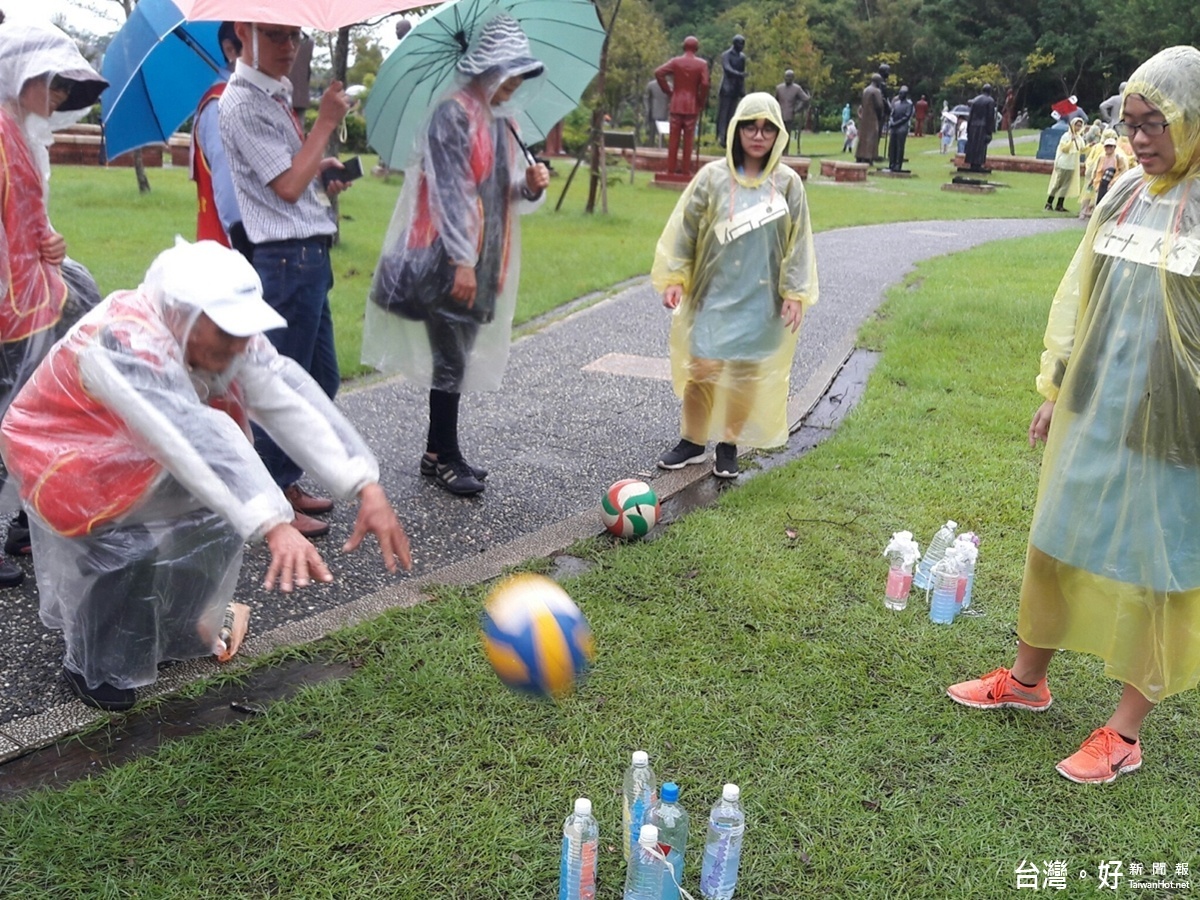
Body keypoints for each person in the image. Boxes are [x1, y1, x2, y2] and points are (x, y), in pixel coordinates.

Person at [0, 239, 413, 712]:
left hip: (133, 449)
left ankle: (173, 629)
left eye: (243, 331)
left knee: (213, 518)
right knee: (126, 545)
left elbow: (284, 396)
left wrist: (364, 484)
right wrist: (275, 525)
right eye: (226, 332)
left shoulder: (221, 338)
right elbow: (187, 435)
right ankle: (93, 664)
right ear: (182, 315)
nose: (239, 345)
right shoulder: (125, 342)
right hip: (64, 457)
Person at [948, 45, 1200, 784]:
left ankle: (1126, 731)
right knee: (1055, 538)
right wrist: (1057, 386)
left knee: (1161, 569)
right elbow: (1078, 292)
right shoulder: (1123, 193)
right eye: (1133, 123)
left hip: (1176, 426)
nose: (1142, 138)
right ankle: (1028, 680)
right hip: (1096, 401)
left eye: (1157, 123)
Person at [363, 14, 550, 497]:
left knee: (457, 356)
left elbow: (493, 190)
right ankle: (446, 457)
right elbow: (450, 193)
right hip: (445, 256)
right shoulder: (453, 114)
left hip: (480, 259)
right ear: (488, 69)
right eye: (510, 75)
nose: (515, 85)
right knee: (450, 355)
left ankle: (438, 451)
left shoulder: (495, 120)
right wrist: (463, 261)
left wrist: (528, 188)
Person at [219, 21, 358, 537]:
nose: (288, 47)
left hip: (305, 254)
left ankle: (285, 478)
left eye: (293, 36)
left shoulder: (272, 96)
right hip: (284, 259)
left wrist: (323, 169)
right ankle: (270, 495)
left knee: (321, 380)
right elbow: (284, 187)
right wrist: (323, 123)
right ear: (243, 31)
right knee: (280, 386)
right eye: (276, 35)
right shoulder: (241, 102)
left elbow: (297, 177)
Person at [651, 92, 817, 481]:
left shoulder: (788, 184)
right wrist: (676, 276)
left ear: (778, 134)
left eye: (766, 129)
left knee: (743, 375)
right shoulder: (712, 178)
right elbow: (686, 231)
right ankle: (692, 442)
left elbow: (799, 243)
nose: (758, 136)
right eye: (750, 127)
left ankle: (728, 445)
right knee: (703, 369)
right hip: (711, 296)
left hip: (761, 301)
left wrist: (794, 292)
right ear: (736, 130)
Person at [0, 24, 106, 586]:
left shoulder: (22, 136)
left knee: (30, 412)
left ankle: (27, 521)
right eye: (53, 83)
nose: (60, 96)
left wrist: (51, 243)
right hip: (11, 309)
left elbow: (26, 221)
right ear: (23, 77)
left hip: (31, 303)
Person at [190, 22, 250, 257]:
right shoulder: (222, 105)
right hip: (227, 257)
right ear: (230, 50)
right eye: (269, 38)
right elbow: (231, 198)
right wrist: (247, 254)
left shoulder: (248, 98)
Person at [654, 36, 710, 177]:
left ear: (683, 46)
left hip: (676, 102)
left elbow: (659, 73)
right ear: (696, 48)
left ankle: (670, 170)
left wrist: (669, 91)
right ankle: (686, 171)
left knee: (674, 138)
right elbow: (704, 84)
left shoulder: (676, 62)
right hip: (692, 104)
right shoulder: (701, 64)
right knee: (688, 140)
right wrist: (701, 100)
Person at [1078, 131, 1129, 218]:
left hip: (1112, 184)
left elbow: (1122, 171)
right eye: (1107, 146)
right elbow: (1096, 170)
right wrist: (1093, 180)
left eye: (1111, 146)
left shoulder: (1119, 157)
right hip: (1100, 183)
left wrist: (1114, 182)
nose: (1108, 148)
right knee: (1096, 200)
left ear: (1114, 147)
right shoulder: (1101, 157)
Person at [1044, 116, 1086, 211]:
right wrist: (1071, 141)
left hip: (1072, 164)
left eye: (1080, 126)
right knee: (1058, 183)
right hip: (1063, 163)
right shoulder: (1066, 136)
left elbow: (1081, 150)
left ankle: (1060, 204)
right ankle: (1049, 203)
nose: (1078, 128)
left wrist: (1089, 147)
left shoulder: (1079, 138)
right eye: (1077, 125)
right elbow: (1064, 149)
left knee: (1066, 185)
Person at [715, 35, 747, 147]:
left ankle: (730, 137)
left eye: (743, 44)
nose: (742, 46)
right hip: (726, 88)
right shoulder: (726, 55)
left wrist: (742, 89)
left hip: (736, 89)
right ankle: (721, 137)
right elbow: (727, 68)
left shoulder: (742, 57)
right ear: (735, 44)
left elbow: (742, 74)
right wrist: (739, 74)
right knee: (723, 114)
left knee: (732, 114)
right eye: (740, 44)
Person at [774, 69, 809, 156]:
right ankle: (777, 153)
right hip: (779, 115)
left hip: (789, 115)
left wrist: (797, 109)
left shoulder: (796, 88)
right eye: (786, 76)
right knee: (777, 135)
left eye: (789, 77)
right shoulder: (779, 88)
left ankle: (785, 153)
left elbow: (806, 99)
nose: (787, 78)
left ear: (793, 78)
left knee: (786, 135)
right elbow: (775, 101)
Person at [963, 83, 995, 171]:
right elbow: (990, 116)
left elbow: (971, 115)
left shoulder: (975, 100)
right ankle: (978, 165)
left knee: (972, 145)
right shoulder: (990, 101)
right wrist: (990, 131)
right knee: (981, 146)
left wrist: (968, 128)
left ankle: (972, 163)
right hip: (983, 126)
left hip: (973, 125)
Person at [856, 73, 886, 164]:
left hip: (864, 117)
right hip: (872, 117)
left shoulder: (865, 90)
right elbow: (879, 105)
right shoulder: (876, 91)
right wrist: (881, 115)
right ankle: (868, 157)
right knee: (871, 137)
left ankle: (860, 155)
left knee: (863, 137)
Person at [886, 85, 914, 171]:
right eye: (900, 93)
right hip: (894, 127)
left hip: (902, 127)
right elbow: (892, 113)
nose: (900, 95)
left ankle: (898, 164)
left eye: (902, 94)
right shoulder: (896, 103)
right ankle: (892, 163)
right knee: (892, 146)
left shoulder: (909, 104)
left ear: (905, 95)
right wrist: (891, 121)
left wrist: (896, 123)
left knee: (899, 147)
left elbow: (906, 117)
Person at [644, 76, 669, 147]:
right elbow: (646, 98)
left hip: (662, 113)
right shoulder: (651, 85)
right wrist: (647, 109)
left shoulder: (669, 86)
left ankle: (660, 147)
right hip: (653, 113)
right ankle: (652, 146)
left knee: (661, 135)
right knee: (652, 134)